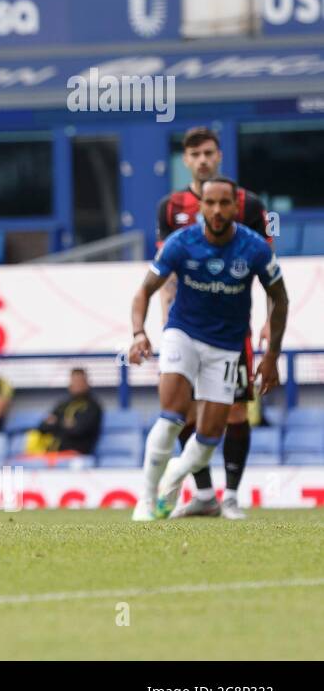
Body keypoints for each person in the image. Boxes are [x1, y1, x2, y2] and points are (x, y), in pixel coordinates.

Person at [129, 176, 287, 521]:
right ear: (200, 205)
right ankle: (145, 500)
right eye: (210, 203)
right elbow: (144, 291)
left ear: (235, 207)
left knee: (209, 438)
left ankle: (175, 475)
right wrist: (139, 332)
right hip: (182, 334)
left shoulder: (255, 248)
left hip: (227, 347)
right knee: (172, 416)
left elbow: (280, 296)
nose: (216, 210)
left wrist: (272, 354)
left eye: (224, 203)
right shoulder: (180, 243)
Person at [158, 126, 271, 520]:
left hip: (230, 329)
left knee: (235, 412)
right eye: (194, 154)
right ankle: (204, 495)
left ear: (219, 156)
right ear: (185, 161)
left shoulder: (250, 205)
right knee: (186, 411)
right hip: (186, 328)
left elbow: (268, 270)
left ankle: (233, 496)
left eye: (208, 153)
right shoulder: (171, 208)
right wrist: (164, 325)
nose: (202, 160)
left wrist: (271, 323)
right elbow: (165, 273)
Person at [26, 368, 102, 456]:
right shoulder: (63, 404)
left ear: (86, 383)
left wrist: (57, 422)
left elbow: (78, 430)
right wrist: (64, 423)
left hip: (77, 454)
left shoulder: (93, 406)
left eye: (79, 381)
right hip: (52, 453)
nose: (76, 384)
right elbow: (42, 427)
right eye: (74, 381)